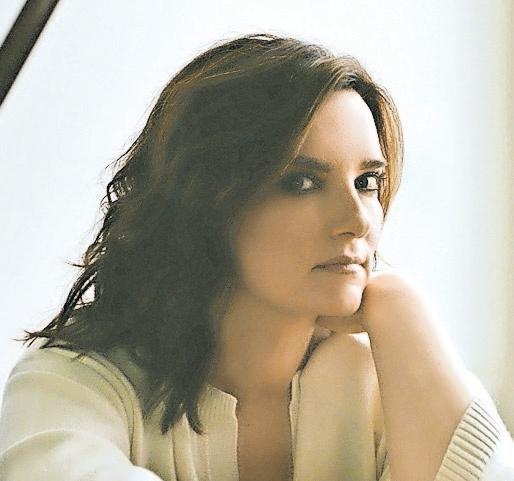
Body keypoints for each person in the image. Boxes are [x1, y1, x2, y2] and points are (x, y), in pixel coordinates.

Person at [0, 32, 512, 481]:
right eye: (302, 182)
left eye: (367, 181)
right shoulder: (73, 383)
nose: (356, 220)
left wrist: (399, 306)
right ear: (207, 198)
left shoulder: (385, 374)